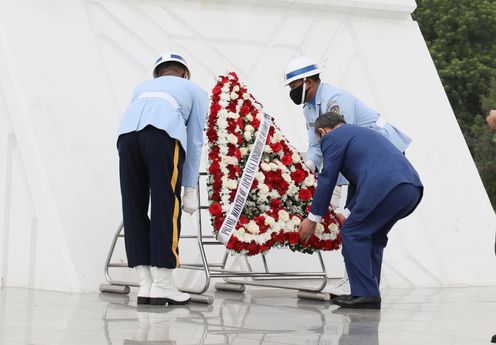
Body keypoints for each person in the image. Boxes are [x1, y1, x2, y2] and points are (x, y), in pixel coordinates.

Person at [284, 56, 412, 296]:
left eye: (294, 86)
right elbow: (317, 143)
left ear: (308, 82)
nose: (292, 92)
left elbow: (341, 144)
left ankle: (352, 281)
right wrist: (310, 165)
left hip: (382, 159)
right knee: (363, 225)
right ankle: (362, 284)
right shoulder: (309, 108)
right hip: (363, 165)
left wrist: (315, 214)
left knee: (355, 223)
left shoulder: (335, 100)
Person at [298, 112, 423, 309]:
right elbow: (360, 181)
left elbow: (328, 178)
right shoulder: (359, 134)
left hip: (385, 186)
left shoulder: (332, 138)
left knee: (353, 233)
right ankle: (370, 292)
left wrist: (313, 219)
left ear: (322, 132)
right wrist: (346, 213)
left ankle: (364, 293)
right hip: (410, 188)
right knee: (373, 235)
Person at [117, 52, 208, 305]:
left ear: (157, 73)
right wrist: (189, 188)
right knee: (165, 205)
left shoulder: (140, 88)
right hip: (162, 135)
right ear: (184, 72)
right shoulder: (194, 89)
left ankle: (145, 284)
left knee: (133, 207)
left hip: (126, 137)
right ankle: (164, 285)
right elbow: (195, 139)